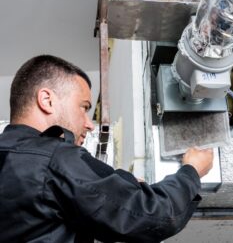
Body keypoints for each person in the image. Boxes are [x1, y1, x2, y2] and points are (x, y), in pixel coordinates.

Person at [0, 55, 214, 243]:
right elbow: (152, 215)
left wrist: (122, 183)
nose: (89, 124)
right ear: (47, 100)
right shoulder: (54, 158)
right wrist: (191, 171)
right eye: (84, 107)